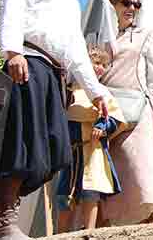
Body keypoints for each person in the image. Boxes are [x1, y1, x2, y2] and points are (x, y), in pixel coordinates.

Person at [0, 0, 110, 240]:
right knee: (22, 142)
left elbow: (76, 50)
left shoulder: (71, 1)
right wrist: (13, 52)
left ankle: (4, 202)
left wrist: (96, 91)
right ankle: (5, 218)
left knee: (57, 151)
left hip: (56, 75)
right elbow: (12, 14)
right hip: (29, 62)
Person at [98, 0, 153, 225]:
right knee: (110, 169)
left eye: (136, 4)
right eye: (126, 2)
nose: (132, 8)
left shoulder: (145, 36)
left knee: (139, 168)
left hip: (138, 111)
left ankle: (145, 224)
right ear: (114, 6)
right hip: (107, 111)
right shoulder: (100, 39)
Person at [56, 46, 125, 233]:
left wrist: (102, 127)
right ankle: (59, 234)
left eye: (104, 65)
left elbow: (115, 118)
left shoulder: (103, 92)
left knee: (91, 191)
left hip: (93, 150)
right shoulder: (69, 89)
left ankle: (89, 231)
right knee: (64, 193)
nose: (100, 68)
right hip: (70, 151)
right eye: (96, 63)